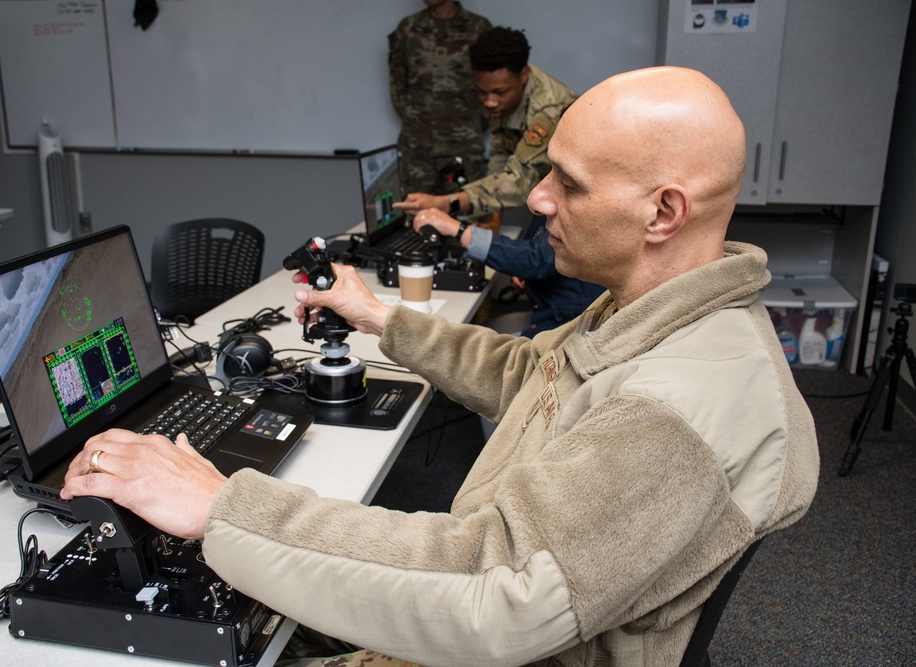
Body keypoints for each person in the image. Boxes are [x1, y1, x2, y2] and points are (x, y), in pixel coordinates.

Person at [61, 67, 820, 667]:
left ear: (663, 213)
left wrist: (224, 508)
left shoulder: (677, 407)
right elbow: (531, 372)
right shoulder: (651, 306)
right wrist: (381, 318)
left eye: (570, 183)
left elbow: (490, 589)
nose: (538, 197)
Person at [394, 26, 577, 223]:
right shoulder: (504, 98)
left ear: (523, 75)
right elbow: (500, 158)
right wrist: (493, 217)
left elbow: (520, 180)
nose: (489, 102)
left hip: (573, 200)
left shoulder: (548, 111)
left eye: (499, 92)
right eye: (482, 92)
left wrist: (447, 202)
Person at [414, 207, 604, 337]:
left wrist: (458, 230)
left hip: (567, 324)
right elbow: (540, 249)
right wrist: (528, 276)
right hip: (556, 312)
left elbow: (535, 258)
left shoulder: (586, 209)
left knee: (463, 349)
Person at [388, 0, 492, 196]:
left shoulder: (478, 28)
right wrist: (417, 120)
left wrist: (472, 125)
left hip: (464, 146)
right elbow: (397, 85)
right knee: (417, 216)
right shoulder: (408, 28)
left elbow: (491, 87)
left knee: (464, 215)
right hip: (418, 147)